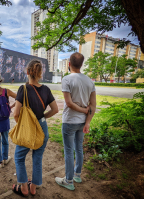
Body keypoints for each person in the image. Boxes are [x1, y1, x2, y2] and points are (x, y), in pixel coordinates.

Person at [12, 60, 58, 197]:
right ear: (40, 73)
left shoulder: (23, 89)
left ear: (27, 72)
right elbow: (55, 109)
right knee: (37, 158)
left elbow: (16, 114)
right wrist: (42, 117)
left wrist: (22, 125)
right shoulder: (46, 89)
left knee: (19, 157)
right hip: (42, 127)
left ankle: (24, 188)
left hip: (28, 128)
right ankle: (33, 188)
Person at [55, 52, 96, 191]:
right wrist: (88, 121)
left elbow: (69, 103)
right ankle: (77, 175)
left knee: (68, 151)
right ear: (82, 64)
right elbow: (93, 105)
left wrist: (85, 112)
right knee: (79, 148)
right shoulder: (90, 81)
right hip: (82, 122)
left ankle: (68, 180)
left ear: (69, 64)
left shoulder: (67, 79)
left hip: (70, 121)